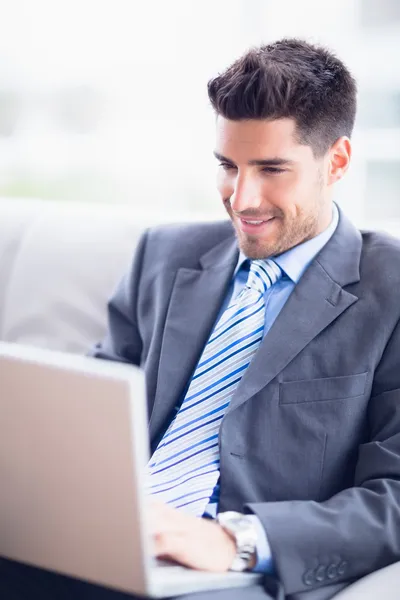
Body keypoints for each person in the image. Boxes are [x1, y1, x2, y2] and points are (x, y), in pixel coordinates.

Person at [3, 37, 400, 600]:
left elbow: (396, 495)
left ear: (335, 162)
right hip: (109, 547)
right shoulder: (163, 257)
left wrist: (236, 540)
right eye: (228, 166)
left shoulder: (391, 290)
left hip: (231, 573)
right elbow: (92, 421)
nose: (242, 198)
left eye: (271, 168)